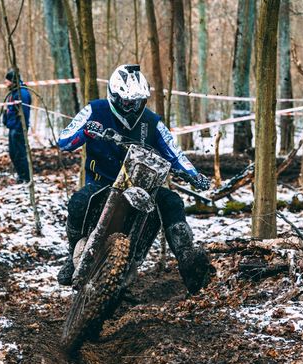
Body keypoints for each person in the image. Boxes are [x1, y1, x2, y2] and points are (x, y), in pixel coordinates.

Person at [57, 64, 215, 294]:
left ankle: (187, 258)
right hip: (102, 183)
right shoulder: (95, 110)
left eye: (138, 102)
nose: (132, 108)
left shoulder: (152, 122)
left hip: (143, 185)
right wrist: (85, 132)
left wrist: (194, 175)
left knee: (172, 201)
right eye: (127, 102)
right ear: (114, 96)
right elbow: (64, 141)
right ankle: (72, 256)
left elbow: (174, 153)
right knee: (78, 202)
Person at [3, 69, 32, 183]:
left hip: (18, 128)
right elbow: (10, 109)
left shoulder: (22, 93)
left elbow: (24, 112)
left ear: (12, 80)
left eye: (7, 80)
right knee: (13, 153)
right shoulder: (13, 93)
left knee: (20, 153)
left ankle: (26, 177)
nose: (5, 82)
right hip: (12, 127)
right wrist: (6, 120)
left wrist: (19, 127)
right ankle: (21, 176)